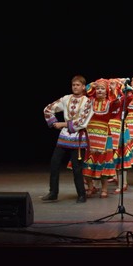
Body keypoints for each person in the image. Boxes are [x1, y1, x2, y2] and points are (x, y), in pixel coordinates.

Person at [42, 75, 94, 203]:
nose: (75, 87)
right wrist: (54, 122)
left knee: (77, 168)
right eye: (73, 85)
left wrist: (63, 124)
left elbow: (82, 122)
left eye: (78, 85)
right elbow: (48, 109)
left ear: (83, 87)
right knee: (54, 163)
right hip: (64, 136)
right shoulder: (66, 98)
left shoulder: (87, 102)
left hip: (78, 137)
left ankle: (81, 194)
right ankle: (53, 192)